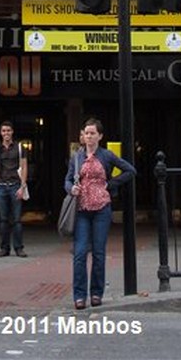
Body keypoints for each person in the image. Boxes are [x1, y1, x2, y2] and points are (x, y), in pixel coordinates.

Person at [64, 117, 136, 310]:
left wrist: (110, 185)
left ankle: (96, 293)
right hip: (81, 210)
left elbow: (129, 170)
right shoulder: (77, 157)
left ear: (100, 136)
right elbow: (67, 180)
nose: (89, 136)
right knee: (79, 254)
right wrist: (72, 189)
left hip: (102, 209)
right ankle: (79, 296)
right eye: (86, 133)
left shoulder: (107, 155)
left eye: (93, 133)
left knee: (98, 253)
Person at [0, 121, 28, 257]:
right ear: (0, 132)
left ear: (12, 132)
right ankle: (4, 248)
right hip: (1, 186)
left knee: (17, 219)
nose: (6, 133)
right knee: (4, 219)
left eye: (8, 131)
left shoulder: (19, 147)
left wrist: (23, 186)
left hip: (15, 185)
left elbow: (24, 167)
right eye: (4, 131)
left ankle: (18, 247)